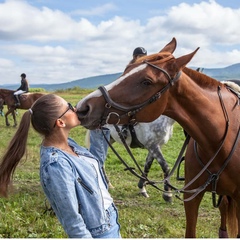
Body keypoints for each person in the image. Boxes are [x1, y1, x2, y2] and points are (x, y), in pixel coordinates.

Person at [0, 93, 121, 238]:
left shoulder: (69, 145)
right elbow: (72, 222)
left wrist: (99, 129)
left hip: (109, 219)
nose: (75, 108)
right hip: (99, 232)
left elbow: (93, 166)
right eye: (69, 107)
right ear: (60, 122)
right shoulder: (55, 165)